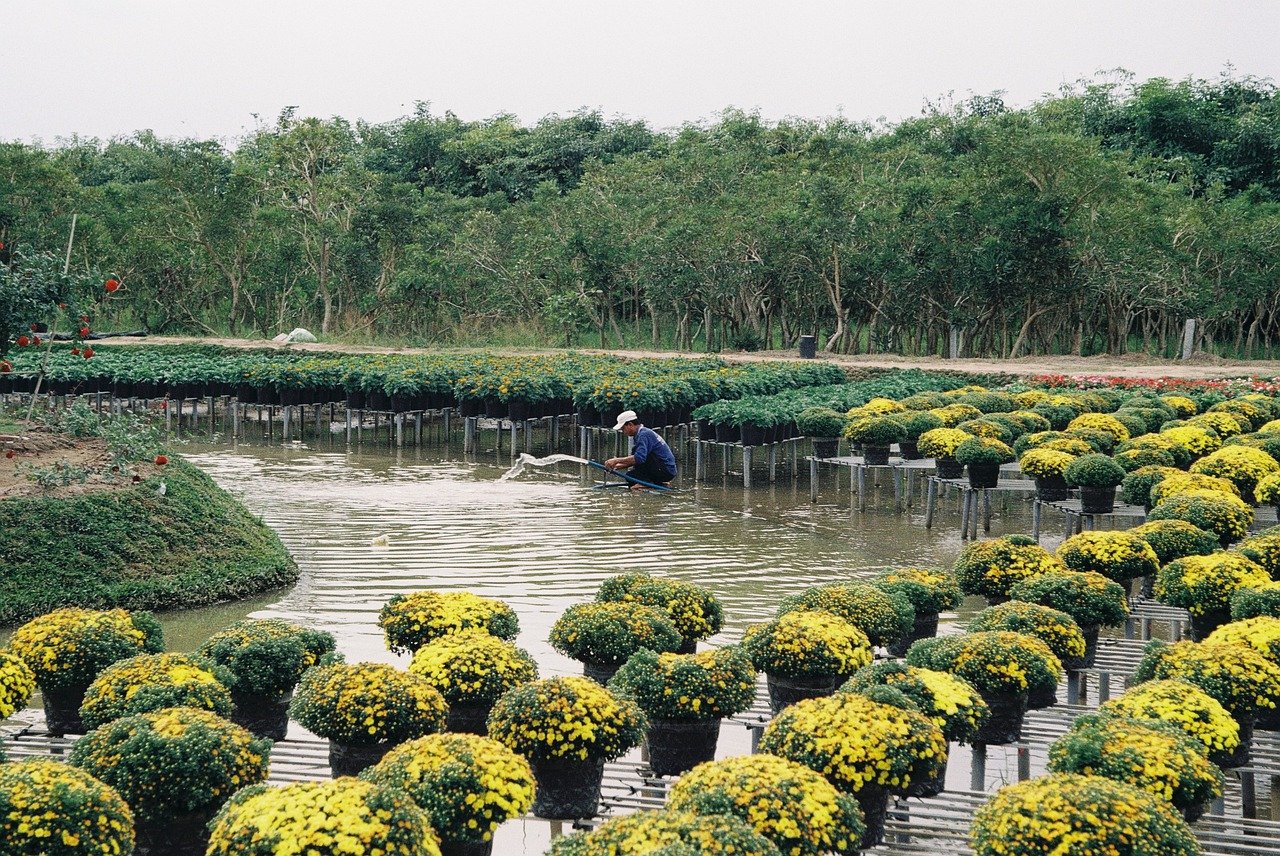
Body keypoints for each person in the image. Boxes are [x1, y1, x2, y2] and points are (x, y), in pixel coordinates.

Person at [604, 410, 677, 489]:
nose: (623, 432)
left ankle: (647, 483)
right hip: (661, 468)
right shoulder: (640, 434)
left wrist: (616, 460)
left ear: (630, 425)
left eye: (623, 428)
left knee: (639, 457)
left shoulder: (644, 435)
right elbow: (635, 460)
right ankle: (658, 483)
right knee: (630, 476)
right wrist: (616, 466)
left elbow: (639, 458)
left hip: (665, 470)